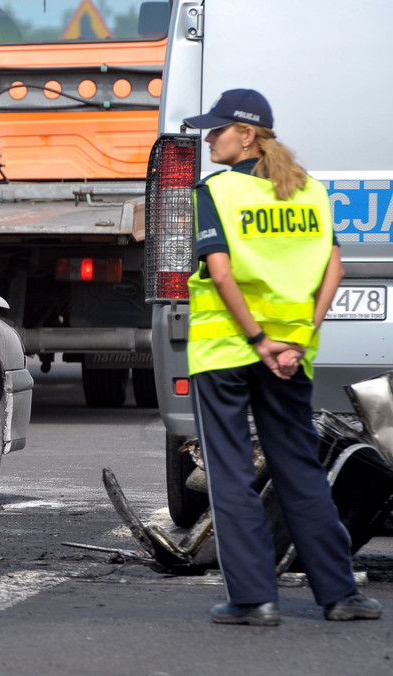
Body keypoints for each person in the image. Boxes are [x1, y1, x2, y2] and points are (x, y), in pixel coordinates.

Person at [183, 88, 381, 626]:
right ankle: (340, 596)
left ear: (246, 135)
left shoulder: (217, 193)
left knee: (229, 474)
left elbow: (220, 274)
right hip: (291, 357)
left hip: (229, 350)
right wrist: (294, 342)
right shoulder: (311, 193)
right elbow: (333, 271)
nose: (208, 138)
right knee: (301, 472)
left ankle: (254, 599)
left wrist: (256, 339)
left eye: (217, 129)